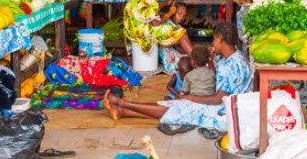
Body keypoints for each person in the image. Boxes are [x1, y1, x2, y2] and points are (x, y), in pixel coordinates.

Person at [104, 21, 251, 134]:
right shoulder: (233, 57)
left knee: (180, 106)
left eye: (214, 39)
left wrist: (191, 98)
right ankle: (121, 111)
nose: (212, 43)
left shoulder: (230, 66)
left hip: (226, 113)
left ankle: (123, 103)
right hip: (230, 106)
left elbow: (218, 99)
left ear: (220, 39)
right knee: (175, 104)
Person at [123, 0, 192, 55]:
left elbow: (146, 9)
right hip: (141, 32)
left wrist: (164, 4)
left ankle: (191, 52)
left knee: (172, 28)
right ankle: (196, 60)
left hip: (131, 28)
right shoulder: (151, 2)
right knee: (181, 32)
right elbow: (155, 23)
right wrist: (170, 13)